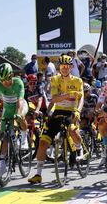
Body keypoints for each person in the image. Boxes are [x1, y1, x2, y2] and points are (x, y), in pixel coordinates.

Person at [28, 55, 84, 184]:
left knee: (73, 130)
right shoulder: (54, 79)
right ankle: (38, 174)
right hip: (58, 111)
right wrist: (69, 94)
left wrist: (78, 111)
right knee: (43, 142)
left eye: (67, 66)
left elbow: (81, 98)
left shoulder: (77, 81)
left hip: (72, 110)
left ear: (71, 67)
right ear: (59, 67)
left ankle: (78, 149)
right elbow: (54, 99)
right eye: (62, 66)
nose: (64, 69)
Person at [0, 63, 29, 174]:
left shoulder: (18, 82)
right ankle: (2, 163)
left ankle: (24, 137)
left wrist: (18, 115)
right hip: (8, 108)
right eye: (3, 80)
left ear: (12, 75)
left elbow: (19, 101)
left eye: (8, 78)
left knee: (21, 117)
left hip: (20, 105)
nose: (6, 82)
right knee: (4, 136)